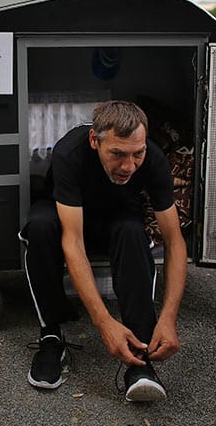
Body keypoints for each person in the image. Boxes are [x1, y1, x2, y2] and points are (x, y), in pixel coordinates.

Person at [21, 100, 187, 401]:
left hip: (116, 218)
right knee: (40, 225)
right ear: (95, 141)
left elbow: (174, 241)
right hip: (69, 218)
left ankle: (140, 357)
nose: (129, 166)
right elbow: (73, 242)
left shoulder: (153, 160)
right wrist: (104, 323)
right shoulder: (69, 153)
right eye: (118, 154)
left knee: (133, 230)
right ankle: (51, 337)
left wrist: (169, 317)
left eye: (137, 154)